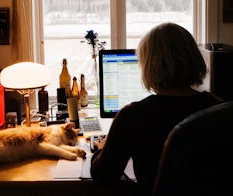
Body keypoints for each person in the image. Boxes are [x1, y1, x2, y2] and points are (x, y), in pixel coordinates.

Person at [90, 22, 223, 195]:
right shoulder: (221, 109)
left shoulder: (132, 116)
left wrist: (103, 147)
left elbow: (104, 177)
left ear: (149, 67)